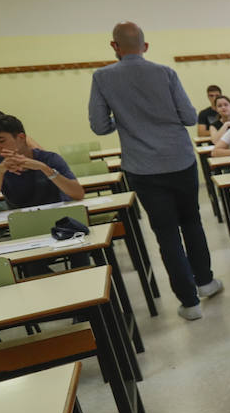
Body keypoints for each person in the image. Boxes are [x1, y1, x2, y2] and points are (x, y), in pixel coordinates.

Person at [89, 21, 222, 320]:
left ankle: (190, 304)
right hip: (180, 160)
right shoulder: (166, 73)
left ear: (114, 46)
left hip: (143, 167)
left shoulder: (102, 77)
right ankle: (207, 282)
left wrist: (124, 121)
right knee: (192, 223)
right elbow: (189, 116)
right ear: (146, 47)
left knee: (166, 234)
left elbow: (99, 125)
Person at [0, 114, 85, 214]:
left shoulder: (49, 158)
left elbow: (78, 194)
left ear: (21, 137)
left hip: (57, 214)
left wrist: (43, 168)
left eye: (1, 141)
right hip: (21, 220)